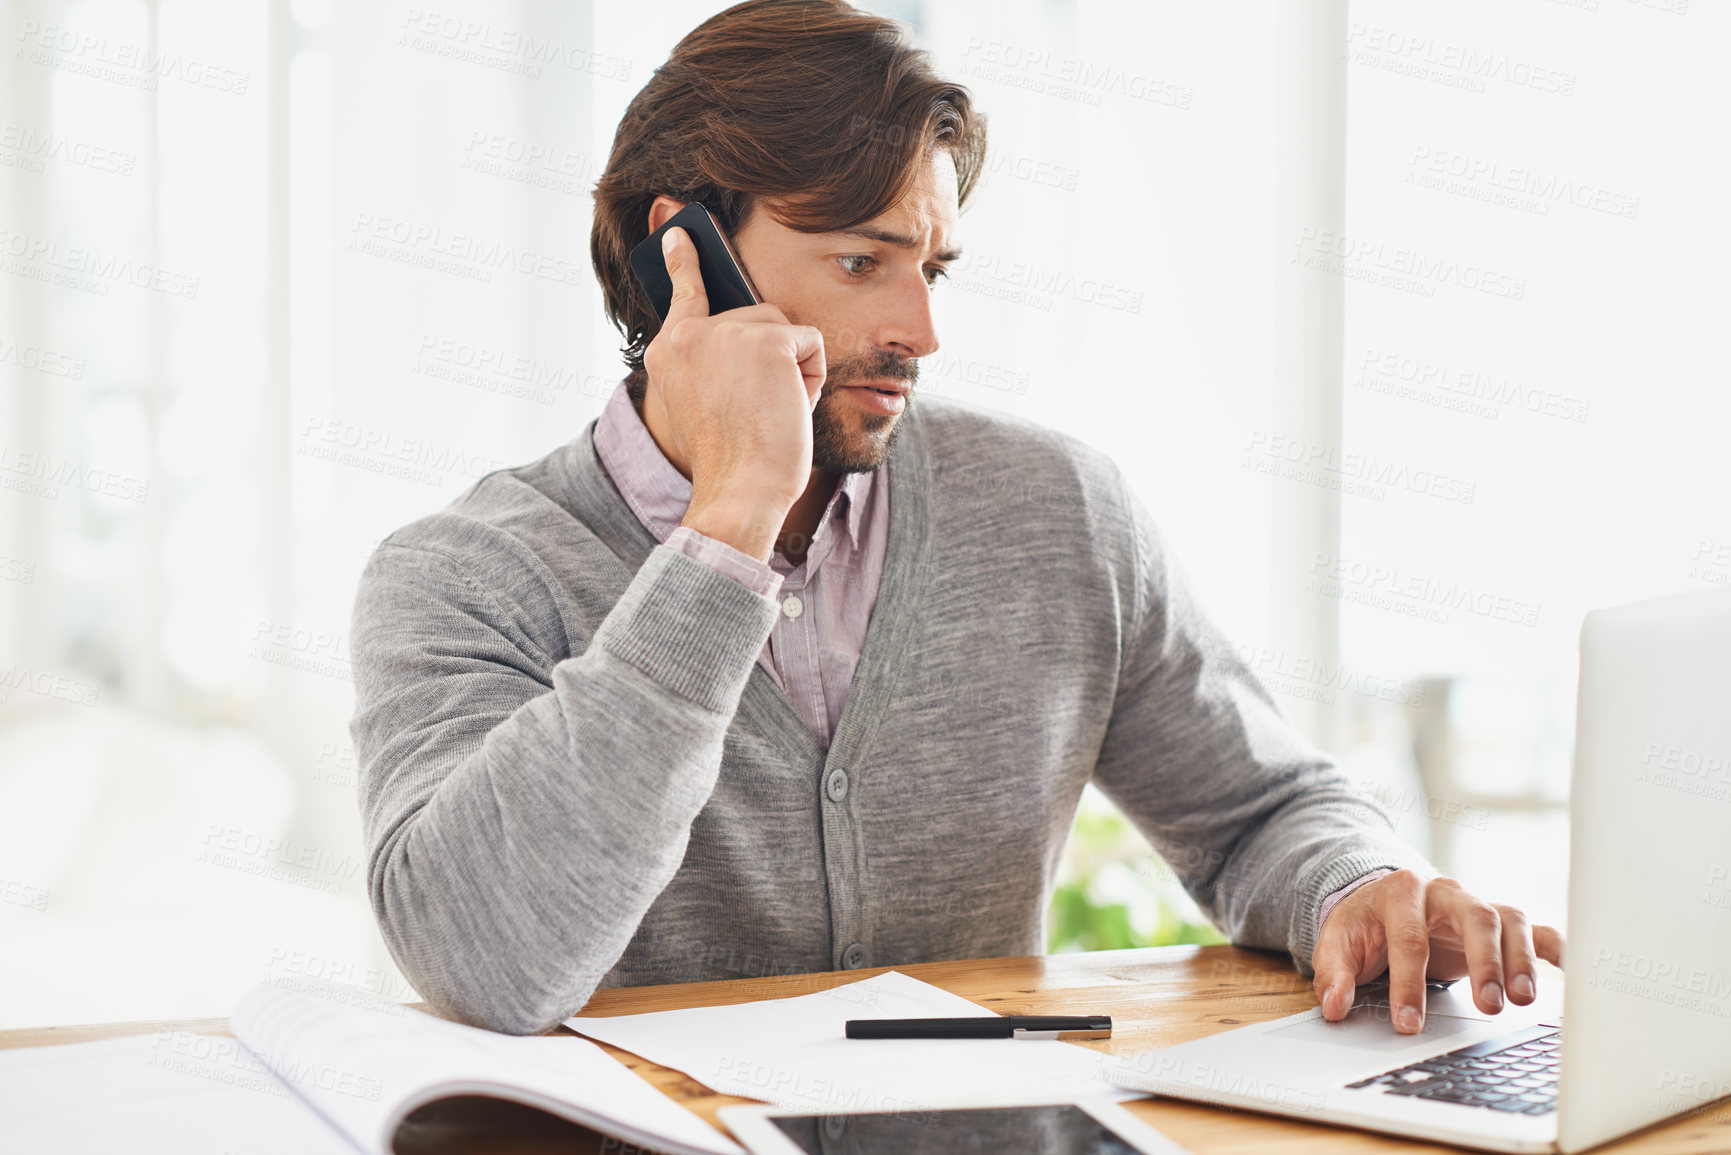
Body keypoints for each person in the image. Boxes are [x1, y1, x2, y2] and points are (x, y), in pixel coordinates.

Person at [349, 0, 1562, 1037]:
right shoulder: (465, 577)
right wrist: (726, 528)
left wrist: (1352, 889)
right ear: (688, 252)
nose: (923, 335)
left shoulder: (1057, 512)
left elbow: (1262, 811)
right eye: (865, 264)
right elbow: (485, 963)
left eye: (932, 271)